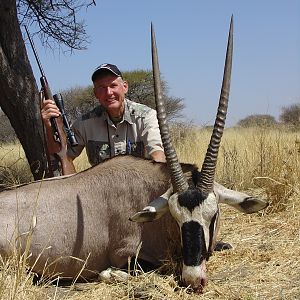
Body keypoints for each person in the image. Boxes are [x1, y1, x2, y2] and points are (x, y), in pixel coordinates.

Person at [41, 63, 166, 174]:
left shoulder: (146, 116)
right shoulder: (84, 123)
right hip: (100, 193)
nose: (109, 93)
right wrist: (49, 127)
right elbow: (60, 157)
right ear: (95, 93)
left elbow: (157, 155)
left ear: (125, 87)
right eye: (101, 88)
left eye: (113, 85)